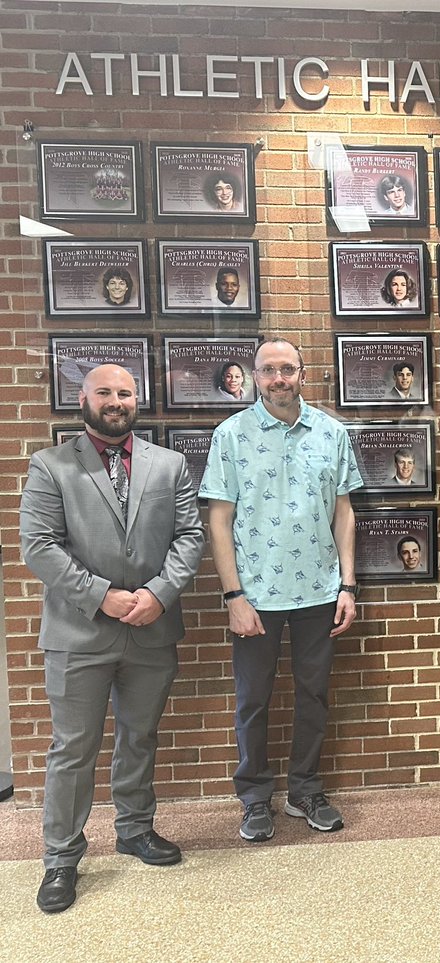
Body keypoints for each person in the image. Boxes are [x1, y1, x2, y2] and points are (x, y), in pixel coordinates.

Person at [19, 364, 205, 913]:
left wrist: (158, 594)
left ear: (137, 399)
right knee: (73, 749)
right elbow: (40, 546)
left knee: (139, 737)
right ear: (83, 398)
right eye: (105, 392)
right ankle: (61, 857)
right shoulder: (50, 465)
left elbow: (190, 536)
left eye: (125, 392)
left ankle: (135, 829)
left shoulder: (169, 465)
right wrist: (102, 595)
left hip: (152, 629)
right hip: (80, 633)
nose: (116, 400)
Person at [199, 338, 364, 844]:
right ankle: (253, 797)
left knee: (313, 696)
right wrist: (233, 596)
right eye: (268, 370)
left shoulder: (331, 433)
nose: (278, 378)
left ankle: (305, 790)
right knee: (253, 700)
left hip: (318, 590)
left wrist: (348, 584)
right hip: (256, 596)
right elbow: (218, 521)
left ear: (302, 374)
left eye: (287, 369)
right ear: (254, 376)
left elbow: (344, 513)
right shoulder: (231, 436)